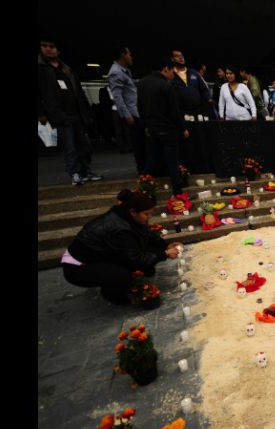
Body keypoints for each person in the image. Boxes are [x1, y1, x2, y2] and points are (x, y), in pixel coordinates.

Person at [62, 190, 182, 305]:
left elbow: (146, 235)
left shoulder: (126, 216)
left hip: (100, 255)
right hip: (77, 267)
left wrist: (165, 245)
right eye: (146, 214)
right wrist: (165, 253)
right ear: (133, 211)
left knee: (149, 253)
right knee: (121, 275)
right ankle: (114, 296)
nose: (149, 217)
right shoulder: (119, 229)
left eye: (150, 213)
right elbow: (137, 260)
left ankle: (118, 280)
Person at [38, 38, 101, 185]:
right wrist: (41, 113)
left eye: (52, 46)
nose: (48, 49)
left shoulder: (66, 69)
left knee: (84, 145)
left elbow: (79, 91)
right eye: (44, 46)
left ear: (58, 50)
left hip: (77, 113)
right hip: (59, 114)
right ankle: (75, 174)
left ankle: (85, 171)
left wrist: (87, 112)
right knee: (69, 147)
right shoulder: (41, 69)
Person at [137, 58, 189, 196]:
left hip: (152, 129)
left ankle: (143, 190)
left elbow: (140, 107)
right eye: (173, 71)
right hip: (168, 130)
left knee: (151, 159)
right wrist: (183, 128)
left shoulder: (142, 83)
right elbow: (174, 111)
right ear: (166, 69)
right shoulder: (166, 86)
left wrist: (146, 125)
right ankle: (177, 192)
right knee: (172, 162)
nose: (174, 74)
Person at [108, 47, 147, 174]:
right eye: (129, 54)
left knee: (141, 142)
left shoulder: (124, 71)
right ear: (123, 55)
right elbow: (117, 96)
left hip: (135, 111)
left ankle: (145, 168)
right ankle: (143, 171)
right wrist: (127, 115)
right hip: (131, 114)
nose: (131, 57)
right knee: (138, 143)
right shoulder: (116, 72)